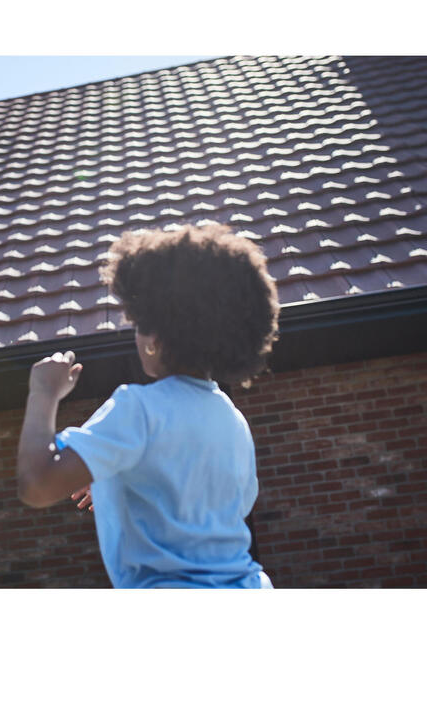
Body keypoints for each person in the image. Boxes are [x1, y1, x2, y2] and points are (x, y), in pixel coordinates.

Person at [16, 223, 279, 588]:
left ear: (155, 336)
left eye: (138, 323)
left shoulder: (136, 407)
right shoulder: (233, 420)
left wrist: (43, 393)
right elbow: (209, 510)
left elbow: (37, 483)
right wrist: (124, 474)